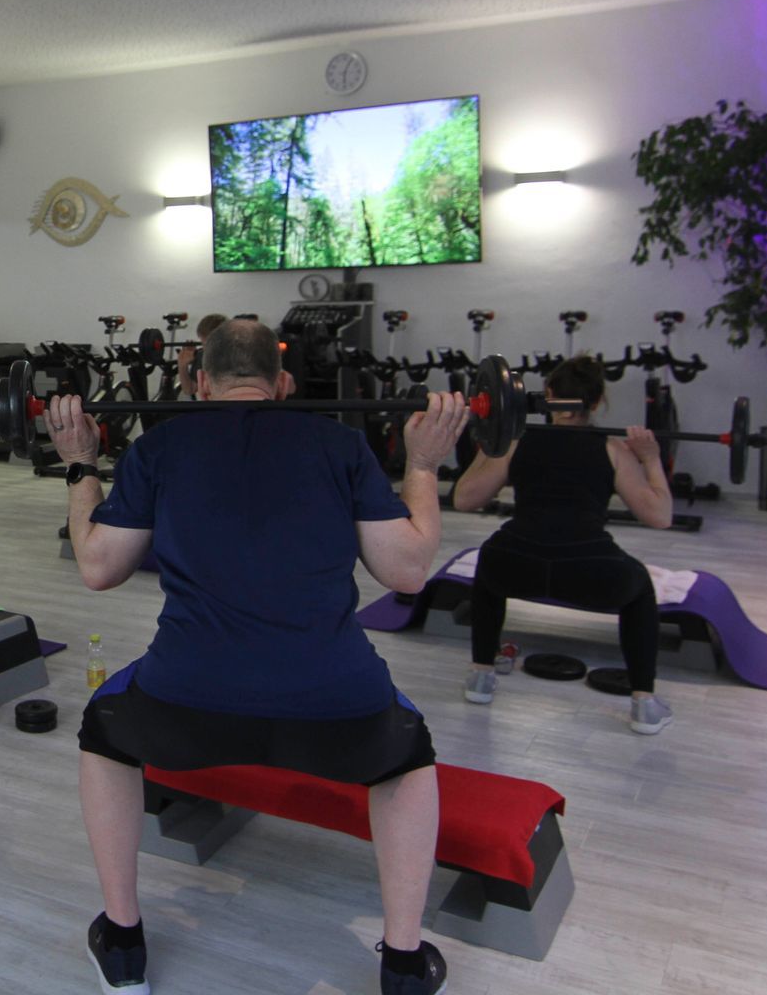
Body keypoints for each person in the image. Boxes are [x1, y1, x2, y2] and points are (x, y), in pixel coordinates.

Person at [54, 318, 465, 995]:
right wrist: (422, 466)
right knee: (407, 758)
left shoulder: (159, 446)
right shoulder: (341, 444)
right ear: (282, 384)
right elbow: (409, 572)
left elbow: (99, 568)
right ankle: (403, 961)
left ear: (196, 380)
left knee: (106, 730)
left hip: (184, 706)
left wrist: (80, 463)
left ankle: (124, 945)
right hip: (337, 707)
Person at [451, 353, 674, 734]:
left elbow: (463, 498)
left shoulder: (518, 441)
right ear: (598, 401)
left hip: (517, 568)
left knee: (491, 559)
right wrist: (652, 459)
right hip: (589, 573)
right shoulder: (613, 450)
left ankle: (481, 676)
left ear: (548, 394)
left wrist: (492, 442)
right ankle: (645, 704)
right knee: (639, 586)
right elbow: (660, 516)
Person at [174, 312, 227, 401]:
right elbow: (189, 389)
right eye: (203, 344)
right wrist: (182, 365)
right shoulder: (202, 355)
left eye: (209, 344)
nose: (205, 348)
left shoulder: (238, 357)